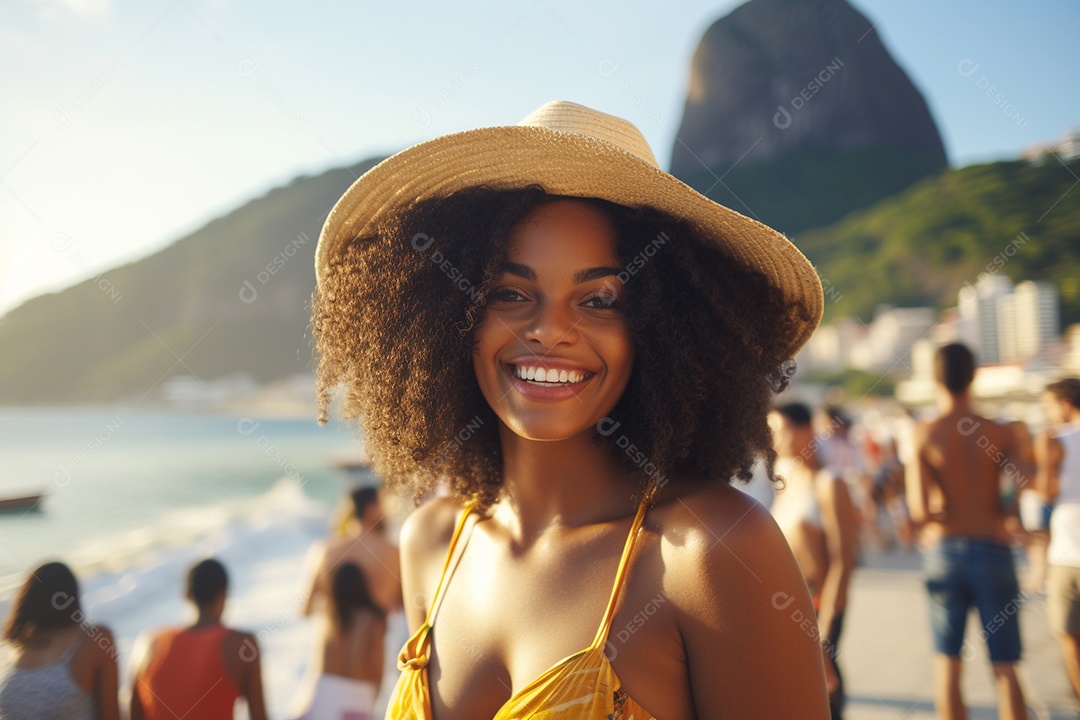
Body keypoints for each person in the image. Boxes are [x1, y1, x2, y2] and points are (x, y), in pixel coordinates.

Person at [311, 99, 830, 718]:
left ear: (663, 328)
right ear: (449, 317)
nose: (549, 330)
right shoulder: (431, 544)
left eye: (600, 299)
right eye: (509, 291)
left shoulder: (712, 553)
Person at [907, 343, 1027, 720]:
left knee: (948, 664)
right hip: (993, 547)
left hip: (944, 551)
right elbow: (1015, 489)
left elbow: (919, 510)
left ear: (935, 378)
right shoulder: (1002, 432)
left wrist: (942, 507)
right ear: (974, 376)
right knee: (1005, 667)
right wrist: (1003, 510)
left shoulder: (925, 434)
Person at [769, 403, 858, 720]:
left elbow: (843, 562)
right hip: (789, 602)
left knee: (824, 686)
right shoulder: (785, 475)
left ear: (805, 430)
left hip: (820, 601)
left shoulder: (830, 484)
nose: (774, 440)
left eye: (780, 431)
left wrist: (824, 629)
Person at [131, 558, 267, 720]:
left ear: (186, 594)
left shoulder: (148, 643)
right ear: (224, 595)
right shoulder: (240, 644)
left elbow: (133, 715)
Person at [0, 561, 119, 720]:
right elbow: (111, 715)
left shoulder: (14, 649)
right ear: (73, 597)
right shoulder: (94, 639)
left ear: (26, 601)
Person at [290, 562, 387, 720]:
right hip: (357, 698)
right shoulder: (372, 619)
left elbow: (303, 610)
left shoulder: (326, 614)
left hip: (321, 695)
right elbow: (377, 667)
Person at [1037, 377, 1080, 703]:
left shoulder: (1055, 439)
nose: (1047, 413)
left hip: (1065, 553)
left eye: (1049, 406)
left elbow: (1046, 493)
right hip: (1063, 552)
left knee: (1068, 638)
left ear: (1065, 404)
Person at [301, 487, 402, 616]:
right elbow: (402, 609)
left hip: (329, 635)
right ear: (371, 509)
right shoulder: (393, 552)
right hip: (374, 635)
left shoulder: (323, 550)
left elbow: (305, 610)